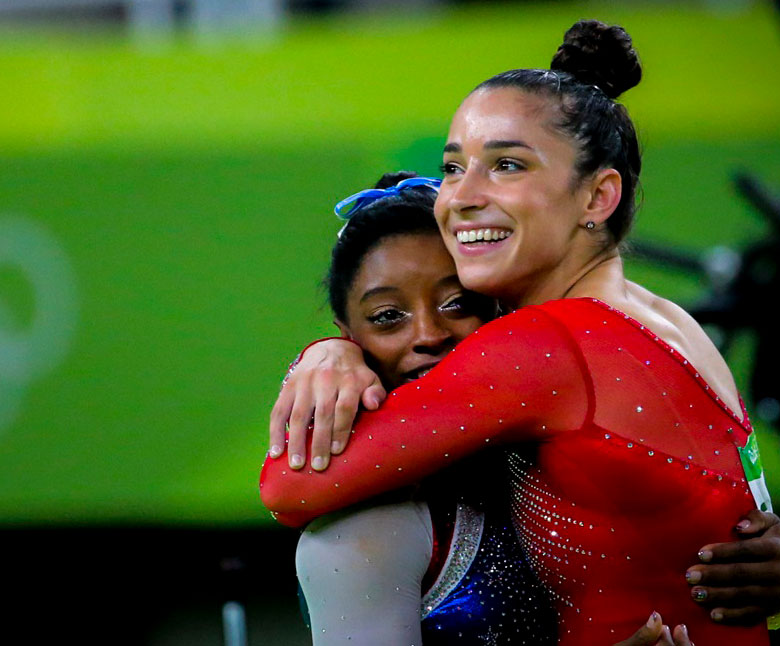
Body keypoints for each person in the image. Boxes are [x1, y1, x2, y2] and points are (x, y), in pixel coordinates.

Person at [262, 20, 780, 645]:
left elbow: (289, 484)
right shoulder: (670, 319)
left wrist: (328, 356)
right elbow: (747, 541)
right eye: (452, 167)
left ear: (597, 197)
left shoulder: (542, 348)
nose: (462, 196)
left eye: (506, 165)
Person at [293, 170, 699, 646]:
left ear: (502, 312)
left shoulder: (564, 462)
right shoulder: (367, 528)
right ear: (350, 338)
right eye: (388, 317)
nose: (428, 335)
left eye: (458, 304)